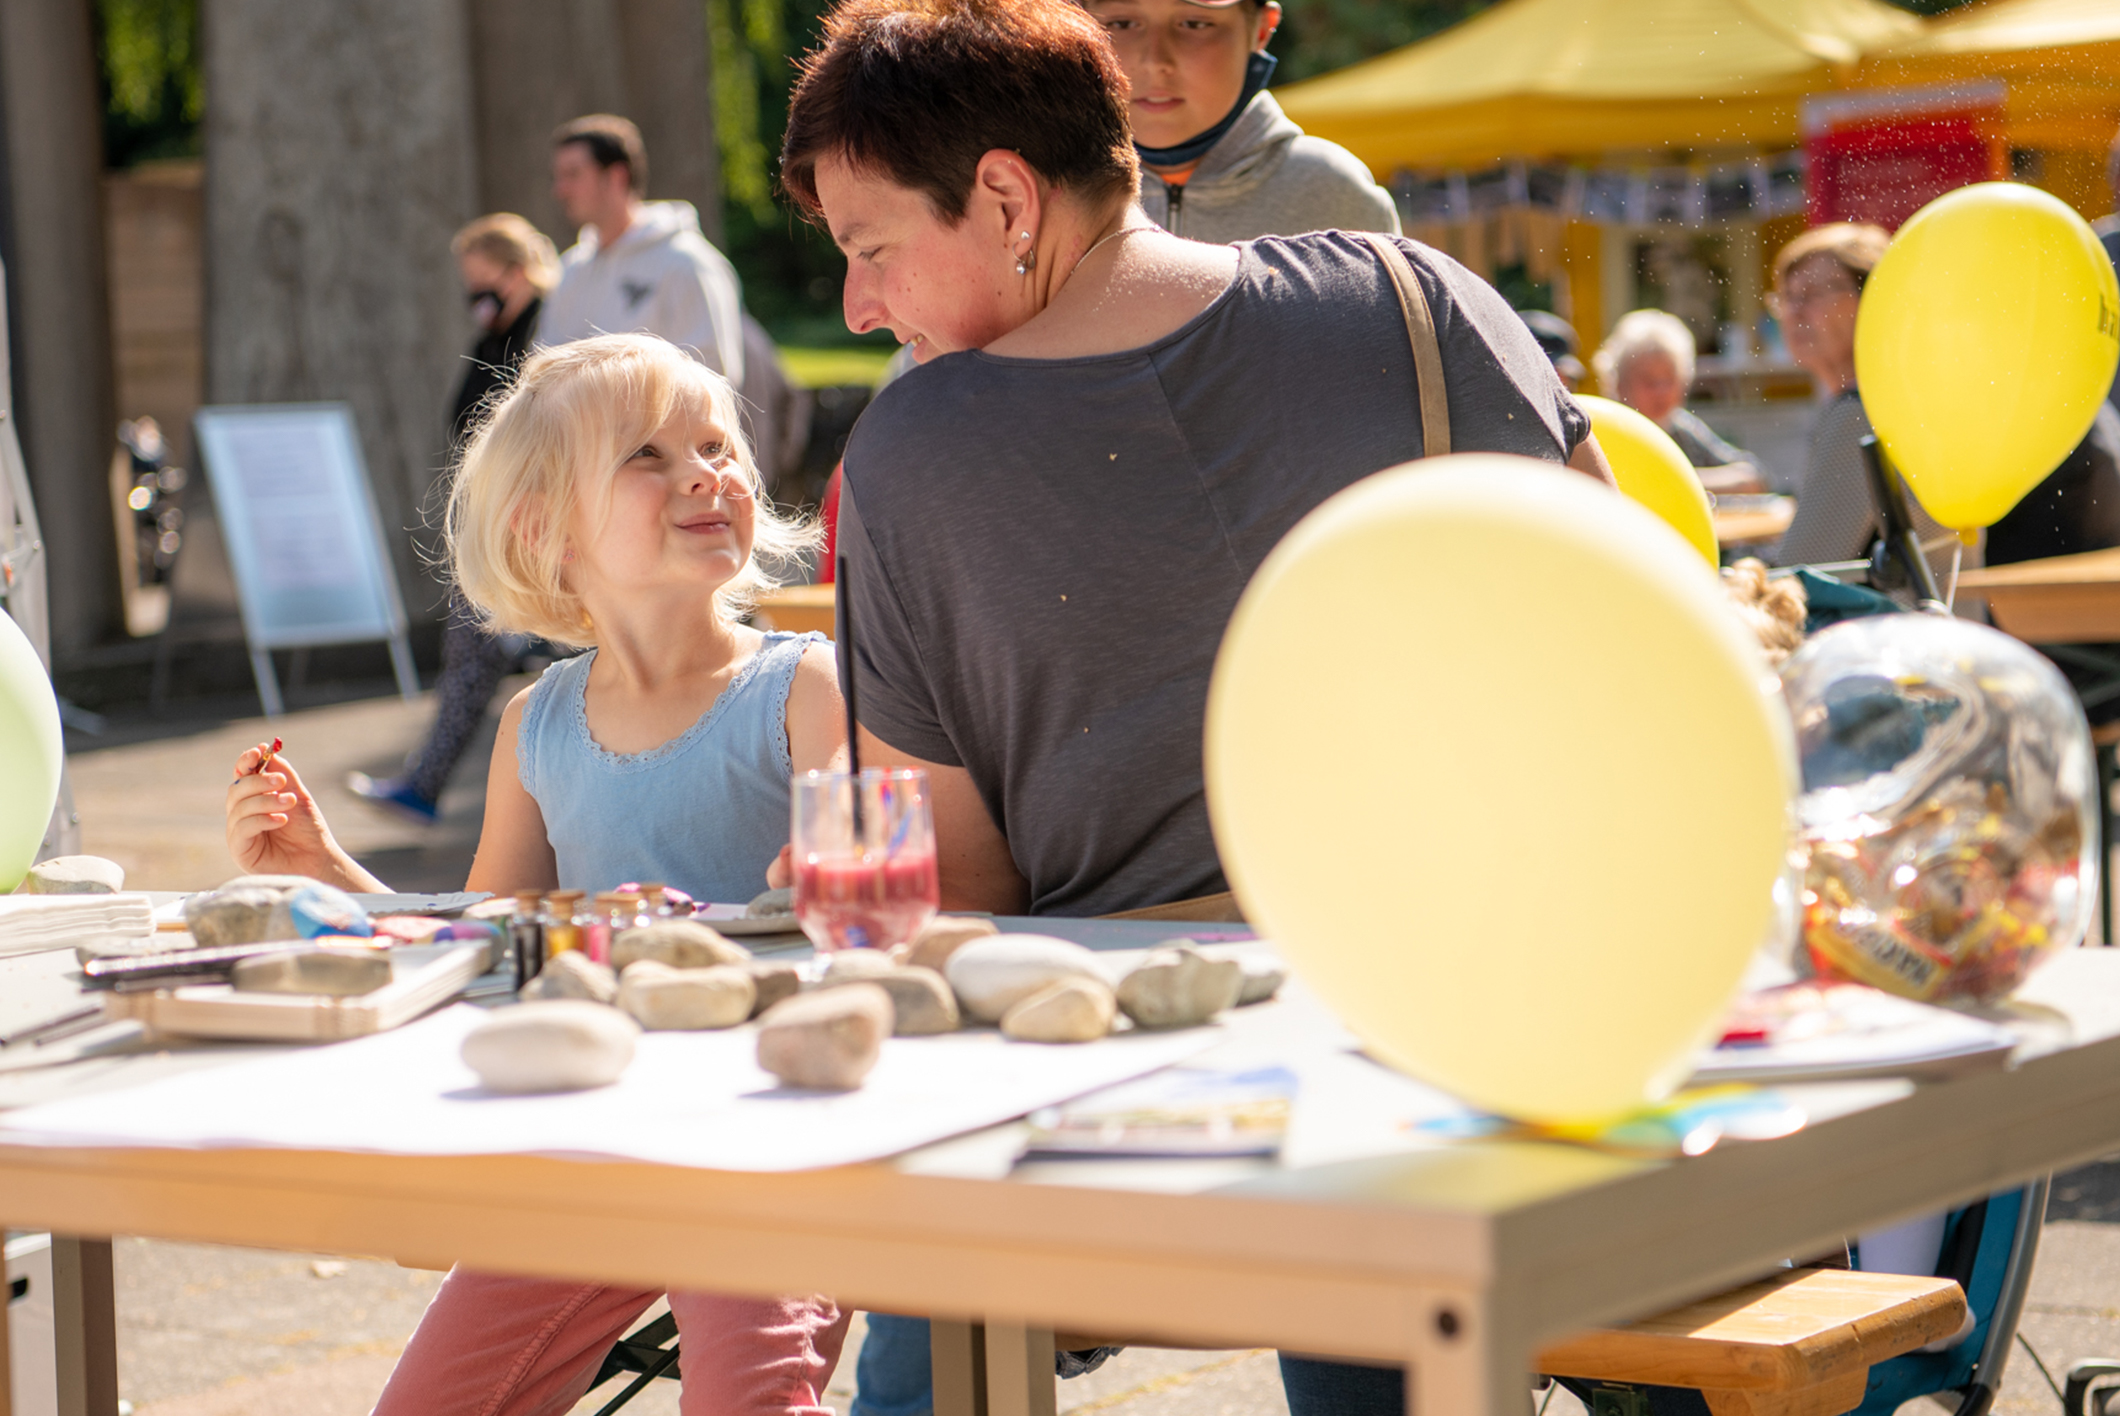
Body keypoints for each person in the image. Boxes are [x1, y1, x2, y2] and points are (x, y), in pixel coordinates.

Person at [775, 4, 1605, 1416]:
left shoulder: (911, 453)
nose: (858, 308)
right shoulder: (1421, 301)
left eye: (868, 249)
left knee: (921, 1366)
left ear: (1005, 197)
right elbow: (1618, 643)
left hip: (1132, 1097)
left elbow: (957, 887)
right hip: (1500, 1043)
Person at [226, 335, 848, 1416]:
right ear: (544, 530)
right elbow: (483, 949)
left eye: (715, 444)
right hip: (592, 1144)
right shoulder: (535, 723)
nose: (705, 473)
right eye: (647, 456)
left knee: (745, 1401)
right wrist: (323, 868)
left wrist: (835, 879)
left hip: (763, 1143)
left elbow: (871, 905)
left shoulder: (804, 690)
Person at [351, 213, 560, 823]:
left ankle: (437, 786)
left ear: (515, 271)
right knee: (474, 649)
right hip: (501, 517)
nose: (473, 294)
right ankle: (425, 784)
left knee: (514, 650)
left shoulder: (546, 326)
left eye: (481, 278)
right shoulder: (498, 332)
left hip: (531, 521)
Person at [1086, 0, 1397, 241]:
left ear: (1261, 30)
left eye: (1194, 23)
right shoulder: (1047, 191)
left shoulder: (1334, 192)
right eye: (1122, 23)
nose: (1155, 61)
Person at [1768, 223, 1970, 587]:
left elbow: (1797, 573)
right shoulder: (1909, 395)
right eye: (1786, 296)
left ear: (1876, 298)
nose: (1794, 311)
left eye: (1813, 293)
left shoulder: (1862, 413)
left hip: (1898, 634)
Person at [540, 114, 747, 385]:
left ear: (616, 177)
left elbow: (713, 379)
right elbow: (543, 368)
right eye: (558, 177)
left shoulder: (687, 263)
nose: (560, 190)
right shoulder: (571, 268)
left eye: (573, 174)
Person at [1592, 309, 1761, 494]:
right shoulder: (1602, 434)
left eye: (1670, 379)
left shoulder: (1681, 429)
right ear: (1619, 384)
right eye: (1649, 381)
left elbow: (1754, 476)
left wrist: (1679, 481)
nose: (1661, 391)